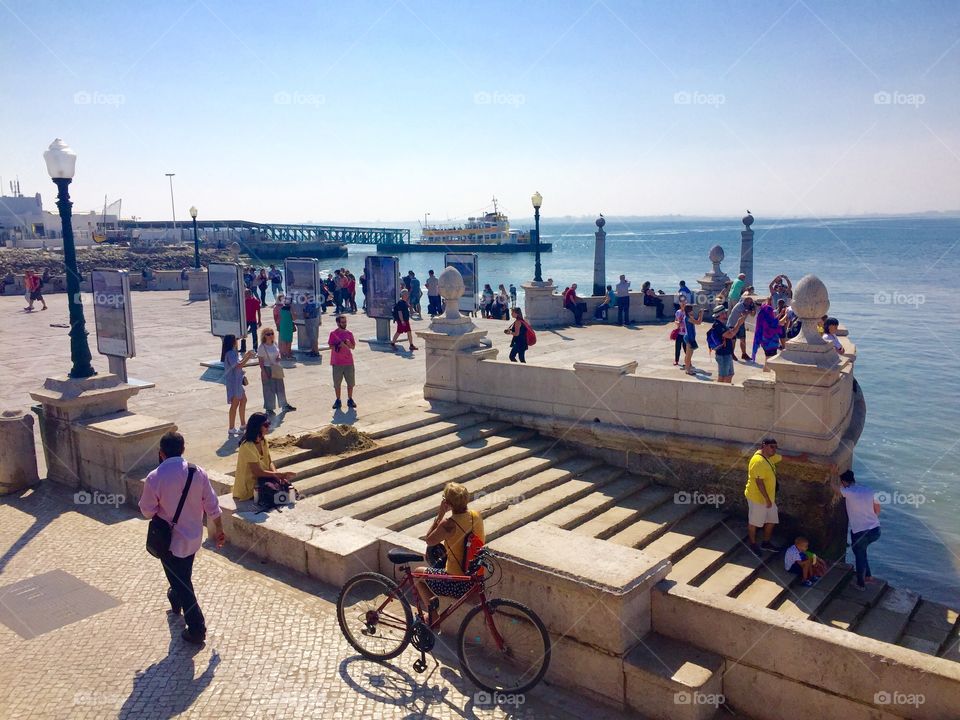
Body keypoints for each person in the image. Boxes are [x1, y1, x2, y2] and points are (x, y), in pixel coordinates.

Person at [139, 431, 225, 644]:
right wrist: (220, 530)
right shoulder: (198, 472)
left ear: (161, 453)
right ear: (183, 450)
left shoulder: (154, 477)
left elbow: (147, 511)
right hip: (193, 538)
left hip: (169, 541)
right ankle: (174, 597)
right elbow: (212, 505)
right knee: (182, 575)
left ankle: (197, 628)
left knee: (183, 582)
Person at [413, 482, 485, 625]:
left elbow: (429, 540)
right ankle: (434, 604)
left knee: (417, 574)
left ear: (447, 502)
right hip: (475, 574)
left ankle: (433, 616)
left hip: (457, 582)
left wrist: (440, 515)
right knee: (438, 556)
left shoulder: (448, 524)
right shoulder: (476, 515)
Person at [833, 469, 881, 591]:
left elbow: (833, 487)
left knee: (859, 556)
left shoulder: (848, 492)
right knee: (862, 551)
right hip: (875, 530)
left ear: (843, 481)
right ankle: (868, 576)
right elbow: (877, 511)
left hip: (859, 531)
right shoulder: (870, 490)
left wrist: (833, 473)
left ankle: (860, 584)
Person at [232, 413, 294, 502]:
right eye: (265, 425)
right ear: (257, 427)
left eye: (269, 424)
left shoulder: (263, 441)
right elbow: (258, 472)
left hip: (263, 479)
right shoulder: (247, 446)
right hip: (248, 488)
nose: (268, 427)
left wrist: (278, 476)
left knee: (286, 487)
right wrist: (279, 475)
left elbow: (269, 462)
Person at [745, 437, 782, 555]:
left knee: (771, 520)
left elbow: (784, 458)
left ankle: (766, 543)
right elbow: (759, 482)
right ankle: (753, 544)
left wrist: (801, 458)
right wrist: (766, 499)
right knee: (754, 522)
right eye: (772, 447)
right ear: (764, 446)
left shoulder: (769, 458)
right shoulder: (758, 461)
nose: (774, 449)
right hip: (758, 499)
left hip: (769, 499)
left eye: (776, 447)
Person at [221, 334, 255, 435]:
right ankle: (231, 427)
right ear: (233, 342)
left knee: (243, 400)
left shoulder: (231, 353)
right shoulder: (231, 353)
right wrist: (248, 356)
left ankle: (243, 424)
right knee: (235, 404)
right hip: (234, 383)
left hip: (236, 382)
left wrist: (246, 355)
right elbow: (238, 365)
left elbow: (238, 362)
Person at [257, 328, 296, 414]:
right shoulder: (262, 347)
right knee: (268, 389)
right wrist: (263, 372)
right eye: (268, 334)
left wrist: (279, 358)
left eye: (272, 333)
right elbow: (260, 361)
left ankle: (284, 405)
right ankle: (269, 409)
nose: (271, 335)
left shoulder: (274, 343)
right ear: (264, 336)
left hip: (277, 367)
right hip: (267, 368)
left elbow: (277, 354)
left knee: (280, 387)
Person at [328, 313, 357, 409]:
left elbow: (353, 347)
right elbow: (330, 346)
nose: (344, 324)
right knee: (337, 383)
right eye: (342, 322)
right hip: (337, 362)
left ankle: (350, 399)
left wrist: (348, 344)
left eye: (345, 322)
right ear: (338, 323)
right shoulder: (333, 334)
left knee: (350, 382)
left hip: (348, 361)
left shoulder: (349, 334)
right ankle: (338, 400)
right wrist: (338, 345)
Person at [708, 306, 744, 383]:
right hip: (723, 355)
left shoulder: (722, 324)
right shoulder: (718, 326)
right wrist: (738, 324)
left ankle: (726, 392)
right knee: (722, 377)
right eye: (724, 313)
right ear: (720, 315)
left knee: (730, 374)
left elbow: (731, 333)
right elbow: (730, 335)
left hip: (727, 354)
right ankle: (719, 393)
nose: (726, 314)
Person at [727, 294, 756, 361]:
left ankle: (744, 354)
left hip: (740, 324)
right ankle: (731, 354)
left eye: (751, 302)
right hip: (733, 324)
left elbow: (753, 315)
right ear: (746, 301)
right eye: (750, 302)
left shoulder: (747, 306)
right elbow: (744, 313)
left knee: (743, 339)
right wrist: (750, 310)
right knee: (733, 340)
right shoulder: (740, 305)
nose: (750, 303)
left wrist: (753, 308)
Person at [682, 304, 704, 375]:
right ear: (689, 311)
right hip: (689, 338)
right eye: (691, 310)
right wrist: (701, 315)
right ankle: (688, 370)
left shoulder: (688, 317)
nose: (693, 311)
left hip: (689, 337)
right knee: (689, 354)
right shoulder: (688, 318)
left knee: (688, 354)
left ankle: (687, 367)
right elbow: (698, 322)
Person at [673, 295, 688, 366]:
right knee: (677, 347)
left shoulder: (687, 313)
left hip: (685, 333)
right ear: (680, 304)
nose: (683, 304)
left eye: (684, 303)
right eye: (681, 303)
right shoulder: (678, 312)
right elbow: (675, 320)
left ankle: (688, 361)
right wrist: (677, 323)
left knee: (686, 349)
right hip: (679, 332)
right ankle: (676, 360)